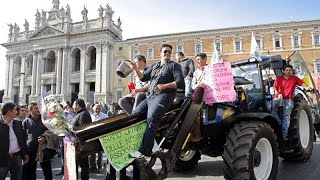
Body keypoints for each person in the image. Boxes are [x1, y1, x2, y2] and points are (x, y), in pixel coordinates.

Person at [130, 44, 184, 158]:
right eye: (165, 51)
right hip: (150, 97)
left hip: (163, 96)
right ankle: (151, 142)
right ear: (160, 53)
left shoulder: (174, 66)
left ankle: (145, 152)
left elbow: (180, 82)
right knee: (134, 115)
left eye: (169, 52)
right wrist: (136, 69)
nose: (167, 53)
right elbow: (143, 77)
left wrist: (164, 86)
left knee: (152, 119)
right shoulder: (155, 66)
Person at [271, 64, 310, 139]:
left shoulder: (294, 78)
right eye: (287, 70)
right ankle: (279, 122)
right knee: (272, 111)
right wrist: (277, 93)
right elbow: (275, 87)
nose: (288, 72)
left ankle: (284, 134)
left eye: (290, 70)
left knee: (286, 116)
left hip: (288, 99)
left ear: (292, 71)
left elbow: (302, 83)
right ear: (284, 71)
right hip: (278, 98)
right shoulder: (279, 78)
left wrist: (307, 86)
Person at [22, 102, 53, 180]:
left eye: (39, 108)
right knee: (30, 172)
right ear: (30, 110)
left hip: (43, 149)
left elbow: (51, 132)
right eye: (36, 108)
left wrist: (45, 138)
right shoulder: (26, 121)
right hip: (31, 150)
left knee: (47, 172)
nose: (38, 110)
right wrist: (24, 151)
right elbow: (23, 137)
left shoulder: (45, 120)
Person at [0, 102, 29, 180]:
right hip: (2, 159)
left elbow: (22, 140)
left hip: (17, 157)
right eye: (16, 110)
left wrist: (25, 154)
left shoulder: (17, 123)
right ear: (9, 112)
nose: (17, 112)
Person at [73, 98, 92, 180]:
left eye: (74, 104)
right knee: (79, 165)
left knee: (83, 165)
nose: (73, 106)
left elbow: (84, 130)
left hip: (80, 145)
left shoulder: (84, 114)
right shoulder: (80, 113)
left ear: (77, 105)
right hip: (77, 144)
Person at [89, 104, 108, 172]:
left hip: (100, 136)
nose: (97, 110)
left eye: (99, 108)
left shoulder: (104, 116)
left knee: (99, 153)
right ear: (93, 109)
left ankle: (99, 167)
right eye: (96, 108)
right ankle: (92, 167)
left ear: (101, 109)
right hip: (92, 137)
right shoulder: (91, 116)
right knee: (91, 152)